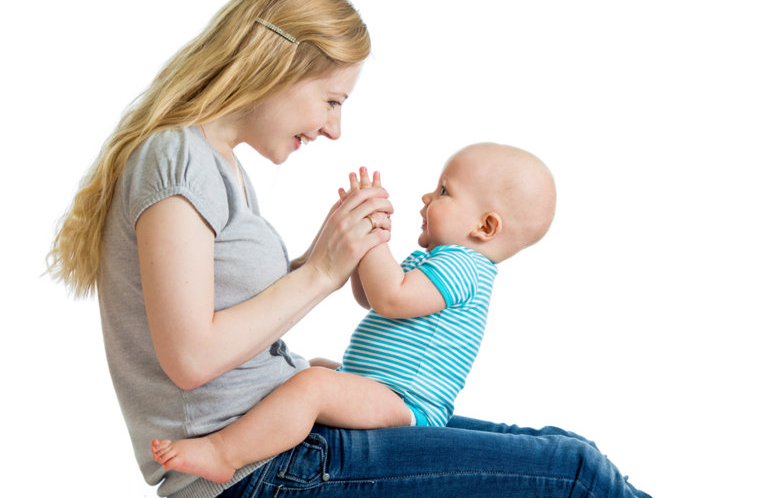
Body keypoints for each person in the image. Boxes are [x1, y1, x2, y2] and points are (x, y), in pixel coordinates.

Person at [48, 0, 651, 498]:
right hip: (263, 472)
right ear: (280, 65)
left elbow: (226, 318)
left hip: (283, 448)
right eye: (332, 99)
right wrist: (321, 272)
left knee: (559, 447)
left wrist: (320, 264)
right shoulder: (177, 158)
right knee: (575, 472)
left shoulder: (216, 165)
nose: (335, 128)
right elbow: (190, 356)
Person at [150, 142, 557, 483]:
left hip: (405, 403)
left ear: (485, 227)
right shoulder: (440, 262)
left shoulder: (463, 265)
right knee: (316, 371)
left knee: (311, 386)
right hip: (380, 387)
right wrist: (365, 240)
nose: (427, 198)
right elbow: (370, 295)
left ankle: (225, 453)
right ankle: (254, 437)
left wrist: (374, 241)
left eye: (444, 192)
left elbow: (390, 298)